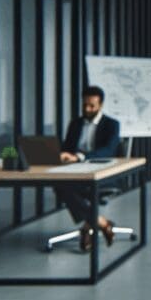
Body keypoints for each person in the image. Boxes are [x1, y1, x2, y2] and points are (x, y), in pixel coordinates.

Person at [54, 86, 121, 251]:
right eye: (85, 105)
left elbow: (108, 150)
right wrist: (62, 154)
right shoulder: (76, 124)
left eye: (92, 106)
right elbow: (67, 147)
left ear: (101, 105)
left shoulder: (112, 124)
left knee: (68, 187)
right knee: (59, 183)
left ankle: (87, 227)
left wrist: (81, 157)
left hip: (103, 173)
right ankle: (101, 222)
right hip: (75, 170)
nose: (87, 109)